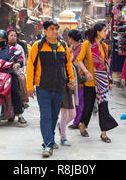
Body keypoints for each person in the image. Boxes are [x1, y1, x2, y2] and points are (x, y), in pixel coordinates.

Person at [26, 20, 75, 158]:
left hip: (59, 87)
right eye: (52, 29)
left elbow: (68, 65)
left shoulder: (63, 46)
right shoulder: (38, 46)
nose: (55, 31)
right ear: (45, 31)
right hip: (43, 88)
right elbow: (30, 67)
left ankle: (51, 139)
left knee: (54, 116)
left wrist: (71, 79)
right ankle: (47, 144)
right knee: (46, 116)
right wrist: (30, 86)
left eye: (56, 29)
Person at [77, 23, 118, 143]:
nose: (106, 33)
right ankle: (83, 124)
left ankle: (104, 133)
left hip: (102, 82)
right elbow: (79, 60)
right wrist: (86, 72)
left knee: (103, 106)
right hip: (90, 81)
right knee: (89, 106)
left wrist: (109, 80)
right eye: (104, 31)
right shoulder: (87, 44)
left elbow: (106, 65)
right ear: (98, 32)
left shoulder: (104, 46)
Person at [0, 29, 27, 126]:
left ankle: (19, 114)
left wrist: (17, 64)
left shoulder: (11, 49)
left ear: (5, 39)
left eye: (2, 39)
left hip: (9, 73)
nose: (0, 41)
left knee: (15, 91)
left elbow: (20, 58)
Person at [7, 29, 29, 107]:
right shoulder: (4, 46)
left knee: (21, 78)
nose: (13, 37)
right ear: (7, 37)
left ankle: (24, 100)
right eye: (11, 35)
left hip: (16, 70)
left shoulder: (19, 48)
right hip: (4, 70)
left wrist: (17, 65)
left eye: (15, 36)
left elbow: (21, 61)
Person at [67, 29, 84, 130]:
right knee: (76, 100)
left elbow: (80, 62)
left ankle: (78, 121)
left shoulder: (81, 48)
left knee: (80, 100)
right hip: (73, 77)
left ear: (72, 38)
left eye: (69, 37)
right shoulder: (72, 48)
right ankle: (77, 120)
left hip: (80, 77)